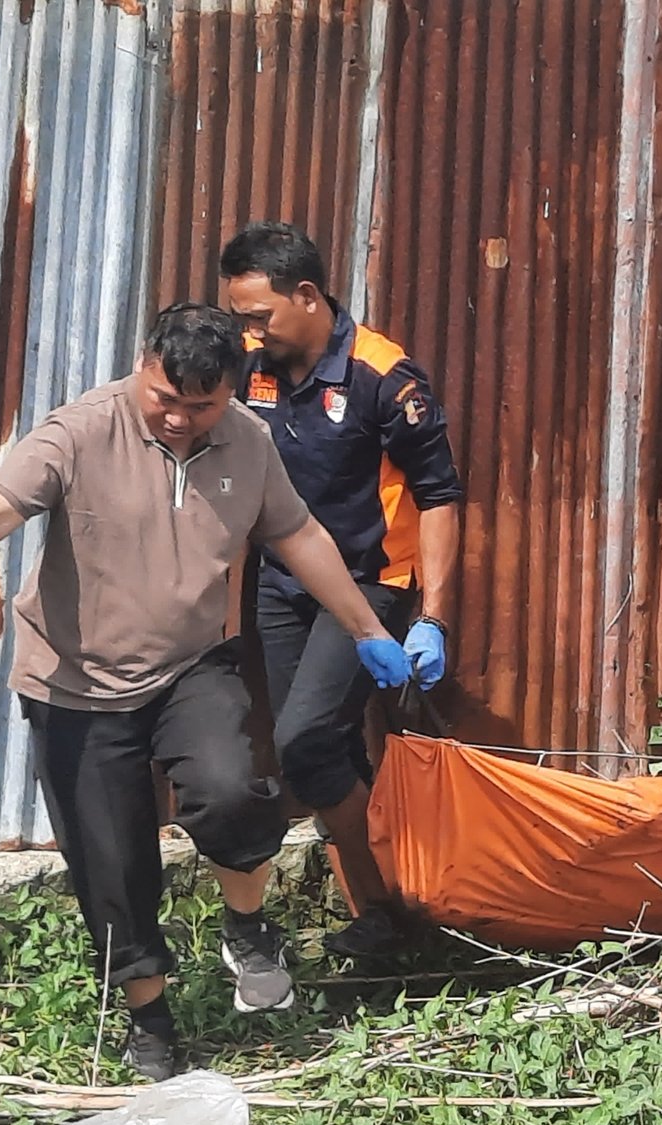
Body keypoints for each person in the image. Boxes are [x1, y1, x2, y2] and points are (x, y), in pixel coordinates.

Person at [0, 304, 413, 1081]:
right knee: (111, 858)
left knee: (234, 793)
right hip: (75, 682)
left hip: (190, 665)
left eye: (199, 405)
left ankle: (245, 925)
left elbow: (297, 535)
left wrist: (367, 627)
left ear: (231, 391)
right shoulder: (78, 432)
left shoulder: (248, 441)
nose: (176, 417)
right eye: (164, 396)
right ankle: (151, 1021)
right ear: (144, 366)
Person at [219, 222, 463, 960]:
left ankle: (392, 910)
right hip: (282, 585)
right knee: (323, 756)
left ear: (307, 294)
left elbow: (441, 495)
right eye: (239, 320)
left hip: (371, 584)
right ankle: (384, 918)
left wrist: (434, 618)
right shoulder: (252, 371)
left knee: (303, 742)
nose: (250, 333)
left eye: (259, 317)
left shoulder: (383, 375)